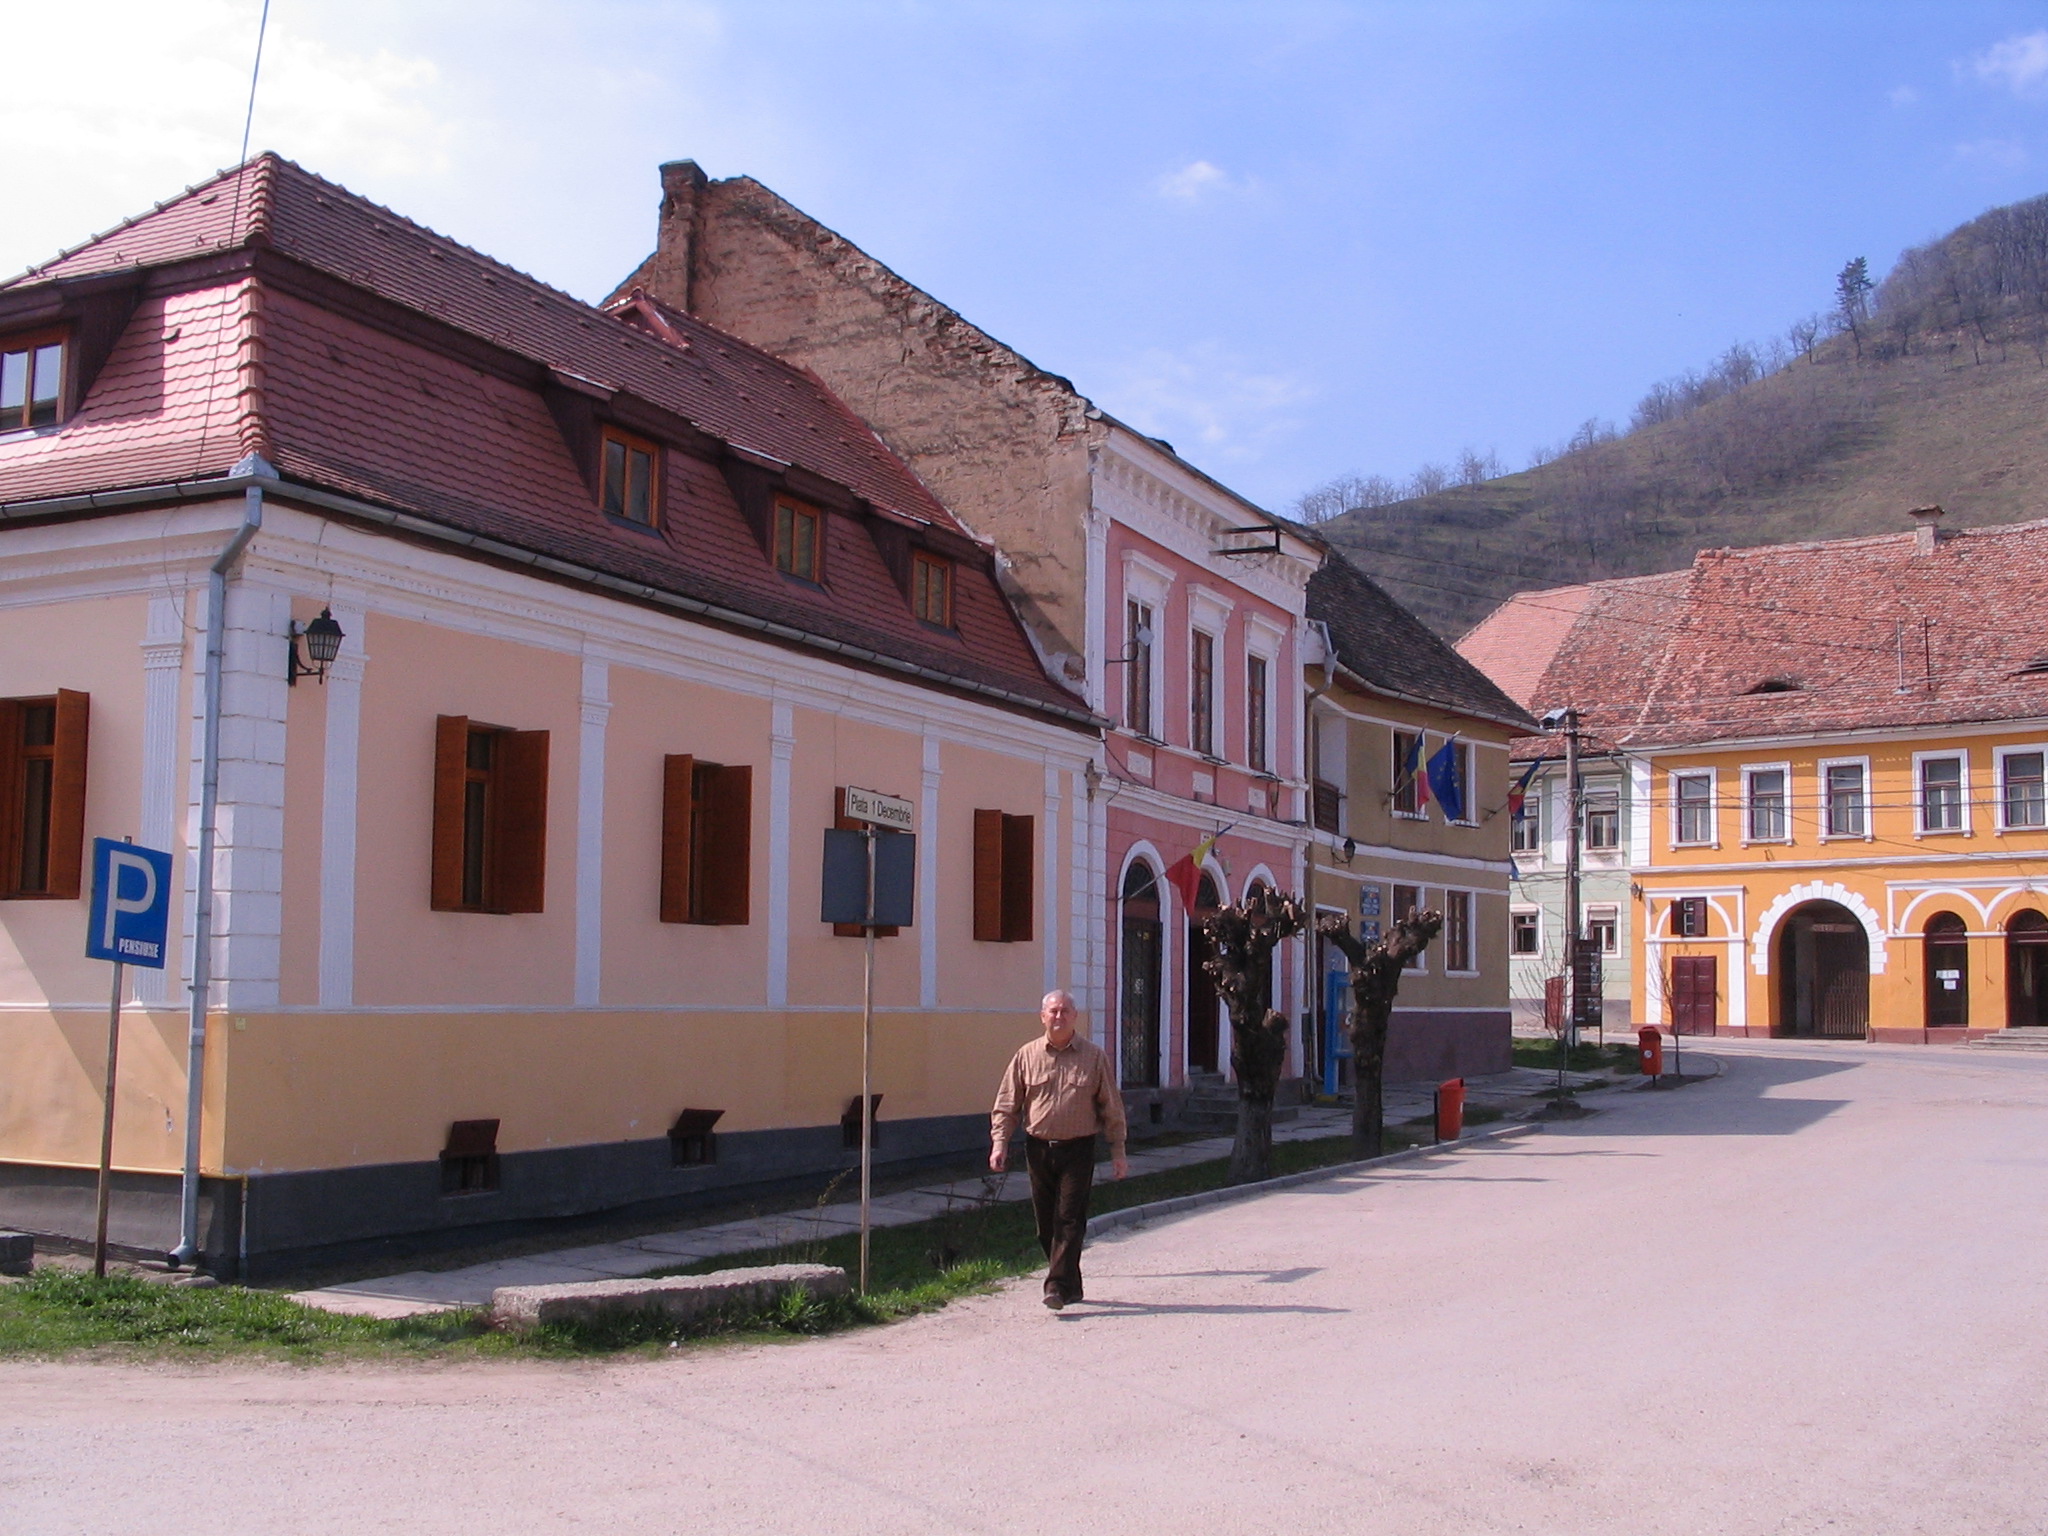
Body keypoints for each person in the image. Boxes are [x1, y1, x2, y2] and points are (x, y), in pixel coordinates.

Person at [991, 989, 1128, 1310]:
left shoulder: (1093, 1057)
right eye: (1053, 1011)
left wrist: (1118, 1151)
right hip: (1038, 1149)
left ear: (1074, 1017)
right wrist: (1000, 1142)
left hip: (1078, 1150)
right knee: (1046, 1225)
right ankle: (1071, 1284)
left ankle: (1055, 1287)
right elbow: (1007, 1103)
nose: (1058, 1016)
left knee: (1069, 1219)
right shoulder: (1026, 1055)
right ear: (1042, 1017)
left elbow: (1112, 1107)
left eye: (1065, 1011)